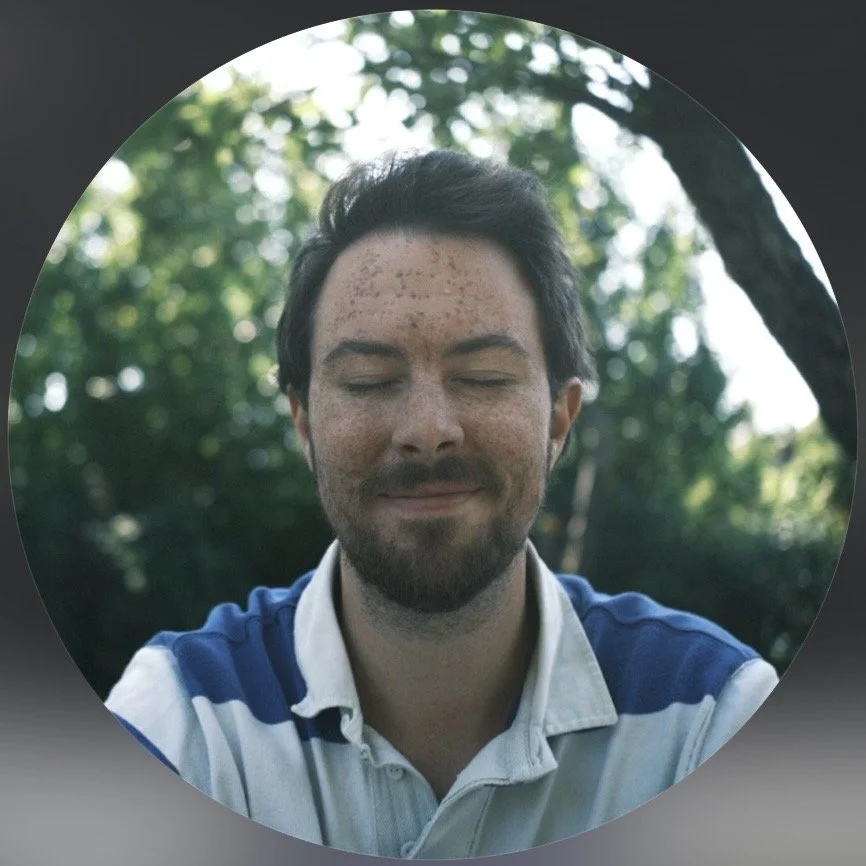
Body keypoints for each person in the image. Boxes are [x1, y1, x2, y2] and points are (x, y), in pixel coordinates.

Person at [105, 149, 779, 858]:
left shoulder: (712, 719)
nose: (428, 431)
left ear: (559, 419)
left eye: (484, 377)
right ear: (305, 423)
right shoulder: (187, 720)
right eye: (368, 381)